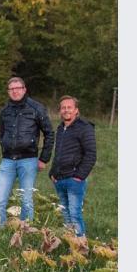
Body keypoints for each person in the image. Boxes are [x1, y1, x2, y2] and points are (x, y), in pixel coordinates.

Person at [0, 77, 54, 224]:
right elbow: (2, 134)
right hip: (7, 161)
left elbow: (49, 133)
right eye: (11, 89)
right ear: (8, 92)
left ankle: (26, 232)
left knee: (26, 200)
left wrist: (44, 158)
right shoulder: (5, 111)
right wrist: (5, 149)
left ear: (24, 89)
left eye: (18, 88)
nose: (15, 91)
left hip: (28, 160)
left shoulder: (36, 108)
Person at [49, 95, 96, 237]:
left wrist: (79, 176)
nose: (66, 110)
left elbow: (91, 154)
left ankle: (80, 247)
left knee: (75, 214)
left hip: (74, 179)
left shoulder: (85, 128)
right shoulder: (60, 128)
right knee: (66, 214)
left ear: (76, 110)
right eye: (63, 107)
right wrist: (52, 172)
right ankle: (71, 244)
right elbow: (58, 152)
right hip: (59, 179)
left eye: (69, 107)